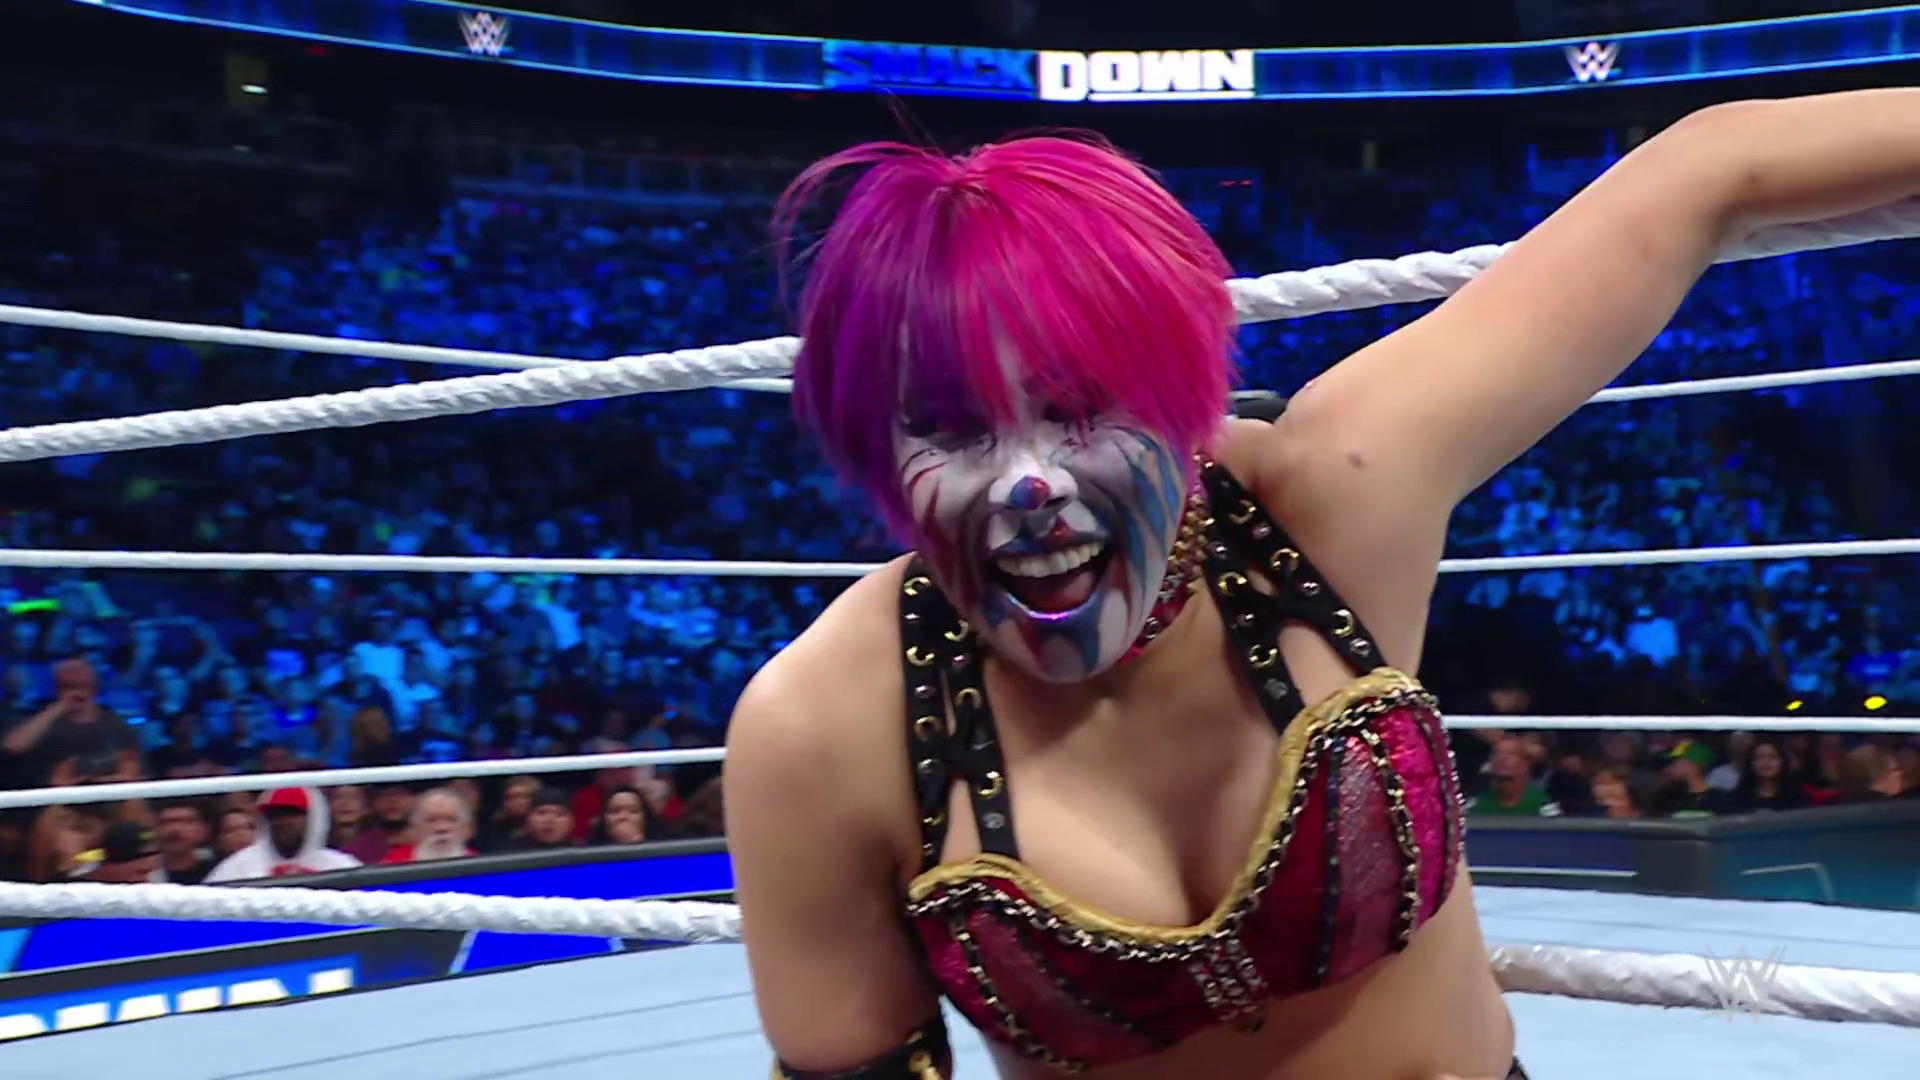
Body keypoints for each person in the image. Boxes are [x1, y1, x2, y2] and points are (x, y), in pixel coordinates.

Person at [726, 88, 1920, 1080]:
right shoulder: (821, 729)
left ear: (1180, 398)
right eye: (950, 429)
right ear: (876, 447)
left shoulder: (1329, 495)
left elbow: (1705, 169)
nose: (1027, 486)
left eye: (1081, 406)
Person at [204, 787, 361, 882]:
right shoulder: (239, 865)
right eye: (275, 815)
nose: (282, 821)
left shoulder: (340, 865)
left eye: (292, 813)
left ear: (314, 818)